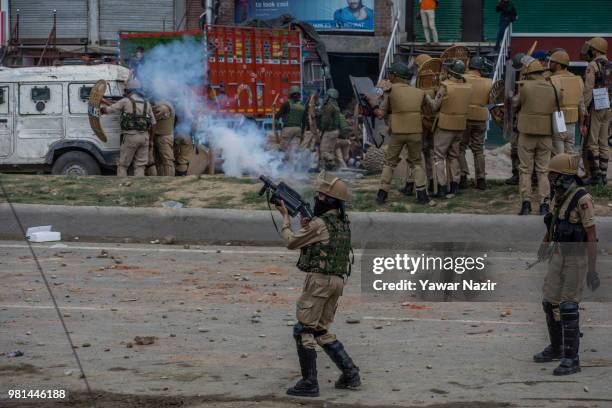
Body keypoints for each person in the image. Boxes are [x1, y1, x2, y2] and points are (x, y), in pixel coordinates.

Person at [278, 171, 361, 397]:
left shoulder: (320, 223)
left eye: (321, 196)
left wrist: (286, 219)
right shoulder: (342, 223)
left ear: (329, 200)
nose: (318, 199)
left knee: (303, 330)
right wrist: (309, 225)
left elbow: (291, 242)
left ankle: (309, 383)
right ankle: (350, 373)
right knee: (321, 330)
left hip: (320, 282)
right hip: (337, 282)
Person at [533, 153, 599, 376]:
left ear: (563, 176)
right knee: (549, 302)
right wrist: (545, 244)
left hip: (576, 259)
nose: (550, 178)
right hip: (558, 254)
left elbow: (591, 235)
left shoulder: (582, 199)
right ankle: (557, 348)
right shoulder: (558, 196)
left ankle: (572, 359)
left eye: (553, 174)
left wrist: (592, 270)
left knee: (568, 307)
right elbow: (552, 223)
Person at [370, 62, 431, 205]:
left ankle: (382, 195)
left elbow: (380, 114)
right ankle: (422, 195)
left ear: (395, 76)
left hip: (398, 132)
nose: (389, 76)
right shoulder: (419, 92)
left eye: (391, 73)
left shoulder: (390, 91)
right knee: (416, 163)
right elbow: (431, 106)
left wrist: (372, 106)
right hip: (416, 131)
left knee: (389, 163)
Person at [513, 60, 558, 215]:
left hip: (526, 132)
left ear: (528, 73)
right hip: (546, 134)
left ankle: (526, 204)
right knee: (543, 170)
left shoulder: (525, 87)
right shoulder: (553, 88)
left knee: (525, 169)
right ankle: (544, 204)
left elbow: (515, 104)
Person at [426, 59, 473, 197]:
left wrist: (427, 97)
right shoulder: (468, 86)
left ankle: (441, 187)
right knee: (454, 156)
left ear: (450, 71)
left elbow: (435, 106)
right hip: (460, 125)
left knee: (438, 156)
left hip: (445, 126)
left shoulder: (445, 86)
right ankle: (454, 186)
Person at [101, 78, 155, 177]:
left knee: (123, 165)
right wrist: (151, 140)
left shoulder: (125, 101)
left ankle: (122, 189)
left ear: (129, 90)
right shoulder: (147, 103)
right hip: (145, 137)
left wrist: (101, 108)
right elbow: (153, 123)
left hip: (130, 137)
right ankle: (139, 189)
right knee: (140, 166)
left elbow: (109, 110)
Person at [580, 37, 610, 186]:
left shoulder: (593, 65)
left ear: (596, 50)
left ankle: (595, 176)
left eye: (591, 48)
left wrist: (584, 108)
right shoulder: (610, 64)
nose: (589, 50)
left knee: (592, 142)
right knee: (604, 141)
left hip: (596, 106)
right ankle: (604, 175)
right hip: (609, 107)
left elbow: (588, 89)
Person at [460, 56, 493, 190]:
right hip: (480, 118)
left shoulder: (462, 78)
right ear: (481, 68)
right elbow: (491, 100)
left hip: (464, 117)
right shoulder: (488, 81)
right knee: (478, 149)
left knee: (460, 148)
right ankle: (480, 178)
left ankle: (462, 176)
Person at [548, 50, 586, 156]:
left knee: (558, 157)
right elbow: (581, 106)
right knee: (570, 156)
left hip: (556, 124)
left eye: (552, 62)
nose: (549, 64)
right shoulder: (578, 79)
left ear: (558, 65)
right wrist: (581, 125)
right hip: (572, 126)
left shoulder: (551, 80)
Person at [277, 86, 306, 158]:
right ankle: (294, 166)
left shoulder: (287, 104)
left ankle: (279, 165)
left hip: (288, 129)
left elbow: (278, 115)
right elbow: (304, 120)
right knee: (294, 150)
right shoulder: (302, 106)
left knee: (282, 149)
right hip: (298, 129)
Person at [318, 89, 342, 170]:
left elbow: (326, 120)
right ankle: (328, 167)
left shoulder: (329, 106)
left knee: (323, 151)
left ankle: (332, 164)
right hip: (335, 131)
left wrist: (322, 128)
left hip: (329, 131)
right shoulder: (336, 106)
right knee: (330, 150)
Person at [152, 100, 176, 176]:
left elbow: (151, 115)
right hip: (163, 136)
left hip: (164, 137)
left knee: (167, 161)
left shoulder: (163, 107)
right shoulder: (167, 105)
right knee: (161, 162)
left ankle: (169, 180)